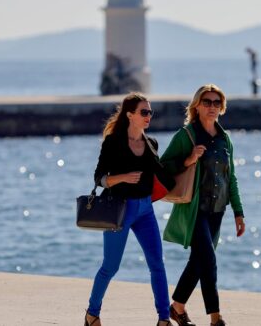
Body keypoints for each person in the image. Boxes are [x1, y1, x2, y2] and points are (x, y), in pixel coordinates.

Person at [85, 92, 176, 326]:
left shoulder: (151, 143)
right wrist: (122, 177)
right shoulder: (113, 143)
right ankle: (92, 313)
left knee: (157, 264)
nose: (148, 116)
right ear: (130, 115)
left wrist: (189, 161)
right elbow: (99, 179)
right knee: (110, 266)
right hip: (119, 210)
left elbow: (164, 174)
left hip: (145, 210)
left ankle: (164, 318)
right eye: (143, 112)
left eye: (150, 112)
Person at [160, 84, 246, 326]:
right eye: (206, 102)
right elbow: (163, 167)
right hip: (194, 210)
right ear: (196, 106)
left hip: (218, 211)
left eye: (216, 102)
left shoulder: (224, 139)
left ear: (222, 107)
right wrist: (188, 159)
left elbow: (231, 178)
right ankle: (216, 318)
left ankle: (176, 307)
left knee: (198, 262)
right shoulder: (186, 136)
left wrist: (238, 212)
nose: (211, 107)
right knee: (208, 260)